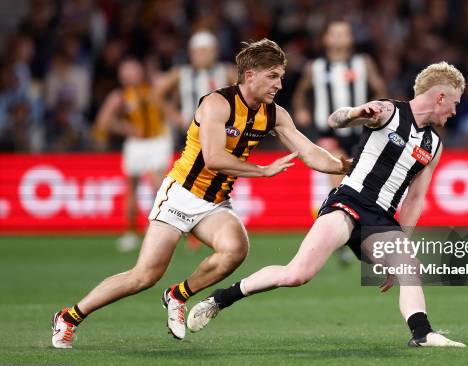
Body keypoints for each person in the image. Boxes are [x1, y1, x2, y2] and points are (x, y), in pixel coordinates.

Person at [52, 39, 350, 349]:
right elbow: (213, 158)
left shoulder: (274, 114)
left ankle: (177, 295)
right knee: (143, 276)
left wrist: (349, 166)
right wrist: (262, 171)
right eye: (273, 76)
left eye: (281, 76)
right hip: (181, 194)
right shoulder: (216, 104)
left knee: (235, 250)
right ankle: (69, 317)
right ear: (250, 75)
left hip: (215, 202)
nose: (279, 83)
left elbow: (310, 152)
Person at [187, 62, 467, 348]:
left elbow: (416, 198)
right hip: (348, 201)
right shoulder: (388, 112)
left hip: (381, 219)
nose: (455, 111)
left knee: (408, 264)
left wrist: (399, 244)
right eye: (454, 103)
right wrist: (357, 112)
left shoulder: (433, 145)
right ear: (440, 97)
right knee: (297, 274)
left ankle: (422, 334)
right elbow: (336, 120)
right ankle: (221, 298)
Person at [292, 20, 387, 263]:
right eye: (334, 34)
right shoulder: (316, 67)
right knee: (337, 179)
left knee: (357, 182)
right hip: (328, 132)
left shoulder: (362, 63)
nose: (339, 38)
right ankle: (340, 236)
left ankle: (345, 231)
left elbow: (379, 88)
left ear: (350, 39)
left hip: (359, 131)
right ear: (326, 39)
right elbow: (300, 93)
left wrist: (378, 108)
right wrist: (302, 111)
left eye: (343, 34)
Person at [155, 31, 237, 250]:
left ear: (214, 52)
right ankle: (186, 222)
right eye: (198, 51)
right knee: (189, 177)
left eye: (206, 51)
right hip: (191, 134)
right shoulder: (181, 73)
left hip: (221, 134)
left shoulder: (225, 72)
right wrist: (174, 115)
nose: (202, 56)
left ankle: (202, 223)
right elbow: (157, 93)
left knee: (216, 178)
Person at [94, 58, 173, 252]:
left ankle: (156, 229)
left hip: (158, 140)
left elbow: (169, 95)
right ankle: (130, 232)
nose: (129, 74)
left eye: (132, 69)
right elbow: (103, 122)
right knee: (132, 187)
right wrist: (125, 128)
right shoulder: (119, 96)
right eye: (125, 71)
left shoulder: (154, 86)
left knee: (158, 185)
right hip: (136, 144)